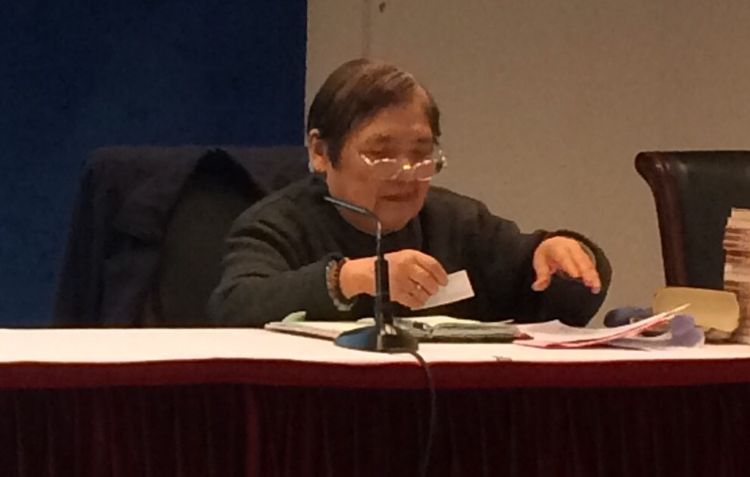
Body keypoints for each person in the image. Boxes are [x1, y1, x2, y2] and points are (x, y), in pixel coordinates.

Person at [208, 58, 612, 327]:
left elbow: (549, 301)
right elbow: (235, 307)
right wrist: (350, 278)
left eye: (421, 154)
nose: (405, 173)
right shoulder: (277, 224)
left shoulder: (458, 222)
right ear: (320, 152)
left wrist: (568, 257)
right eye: (381, 153)